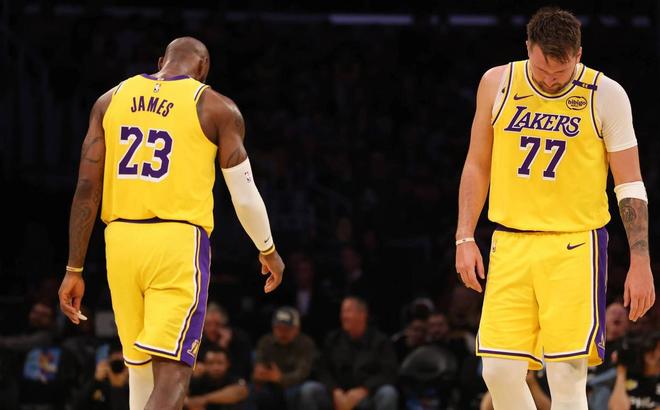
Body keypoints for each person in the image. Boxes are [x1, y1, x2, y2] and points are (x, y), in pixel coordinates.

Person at [57, 37, 285, 410]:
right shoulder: (215, 106)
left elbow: (86, 189)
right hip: (176, 243)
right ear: (204, 68)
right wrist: (268, 249)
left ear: (161, 60)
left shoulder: (110, 100)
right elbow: (244, 195)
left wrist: (74, 268)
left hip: (120, 242)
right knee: (174, 375)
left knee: (140, 373)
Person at [455, 7, 655, 410]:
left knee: (566, 377)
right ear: (528, 47)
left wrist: (640, 259)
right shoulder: (497, 82)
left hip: (574, 247)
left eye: (560, 73)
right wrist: (464, 236)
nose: (549, 80)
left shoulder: (606, 95)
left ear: (578, 55)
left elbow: (630, 183)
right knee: (497, 371)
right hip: (510, 242)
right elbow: (477, 164)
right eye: (542, 69)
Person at [300, 296, 399, 410]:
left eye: (348, 311)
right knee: (309, 390)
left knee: (388, 393)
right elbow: (322, 369)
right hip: (338, 396)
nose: (343, 316)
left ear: (362, 315)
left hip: (368, 395)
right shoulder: (333, 339)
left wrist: (364, 389)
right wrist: (335, 391)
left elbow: (389, 372)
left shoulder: (380, 341)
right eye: (342, 312)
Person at [251, 306, 317, 410]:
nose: (282, 333)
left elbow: (302, 373)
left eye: (287, 329)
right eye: (278, 328)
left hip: (298, 385)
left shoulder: (306, 344)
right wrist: (259, 375)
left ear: (297, 329)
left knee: (307, 390)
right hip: (271, 385)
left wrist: (281, 378)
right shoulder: (265, 342)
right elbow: (259, 366)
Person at [185, 346, 249, 410]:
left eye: (220, 363)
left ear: (228, 364)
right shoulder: (198, 380)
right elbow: (183, 397)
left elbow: (241, 392)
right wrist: (191, 377)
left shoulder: (233, 378)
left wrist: (204, 399)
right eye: (211, 363)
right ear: (204, 364)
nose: (215, 368)